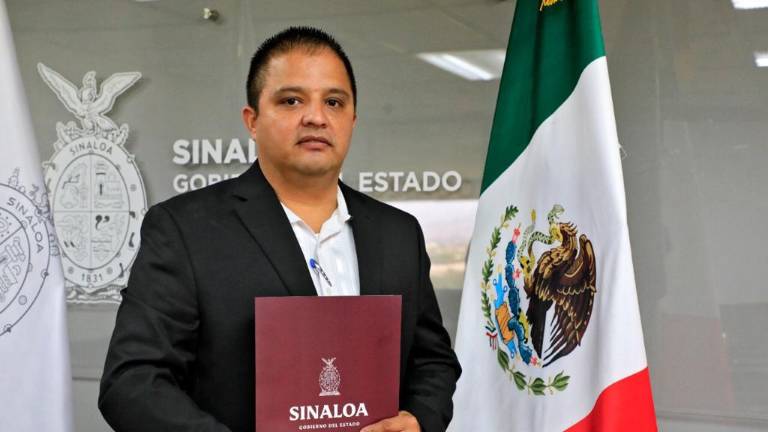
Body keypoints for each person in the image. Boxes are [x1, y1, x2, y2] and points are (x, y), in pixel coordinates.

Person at [98, 26, 461, 432]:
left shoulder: (398, 233)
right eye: (291, 100)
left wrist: (417, 419)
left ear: (353, 120)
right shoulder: (186, 229)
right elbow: (132, 383)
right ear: (252, 121)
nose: (316, 117)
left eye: (334, 102)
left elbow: (433, 360)